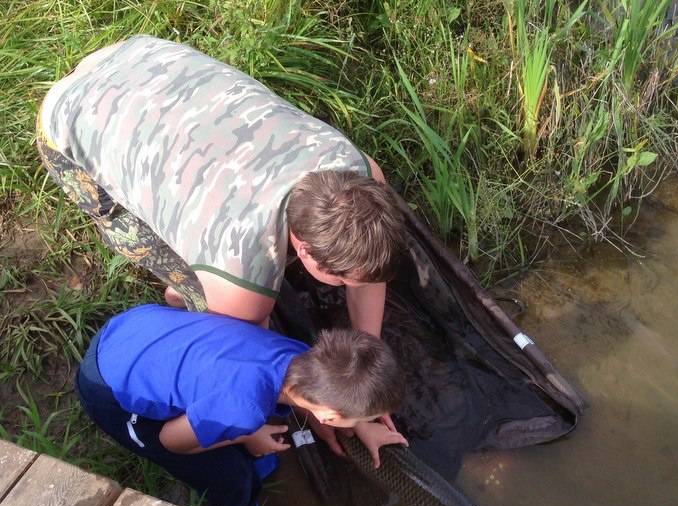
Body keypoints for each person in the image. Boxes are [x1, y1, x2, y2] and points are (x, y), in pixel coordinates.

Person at [37, 34, 407, 445]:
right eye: (343, 280)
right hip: (71, 116)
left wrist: (364, 370)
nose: (357, 286)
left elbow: (368, 272)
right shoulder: (241, 275)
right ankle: (187, 291)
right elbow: (243, 355)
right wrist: (320, 407)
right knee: (195, 294)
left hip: (138, 54)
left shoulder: (361, 173)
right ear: (303, 250)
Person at [75, 304, 407, 506]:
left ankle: (249, 453)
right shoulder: (243, 407)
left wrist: (360, 423)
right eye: (367, 418)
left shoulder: (300, 355)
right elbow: (171, 442)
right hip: (109, 390)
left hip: (133, 330)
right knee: (229, 475)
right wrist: (245, 435)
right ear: (329, 415)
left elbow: (308, 394)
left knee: (240, 428)